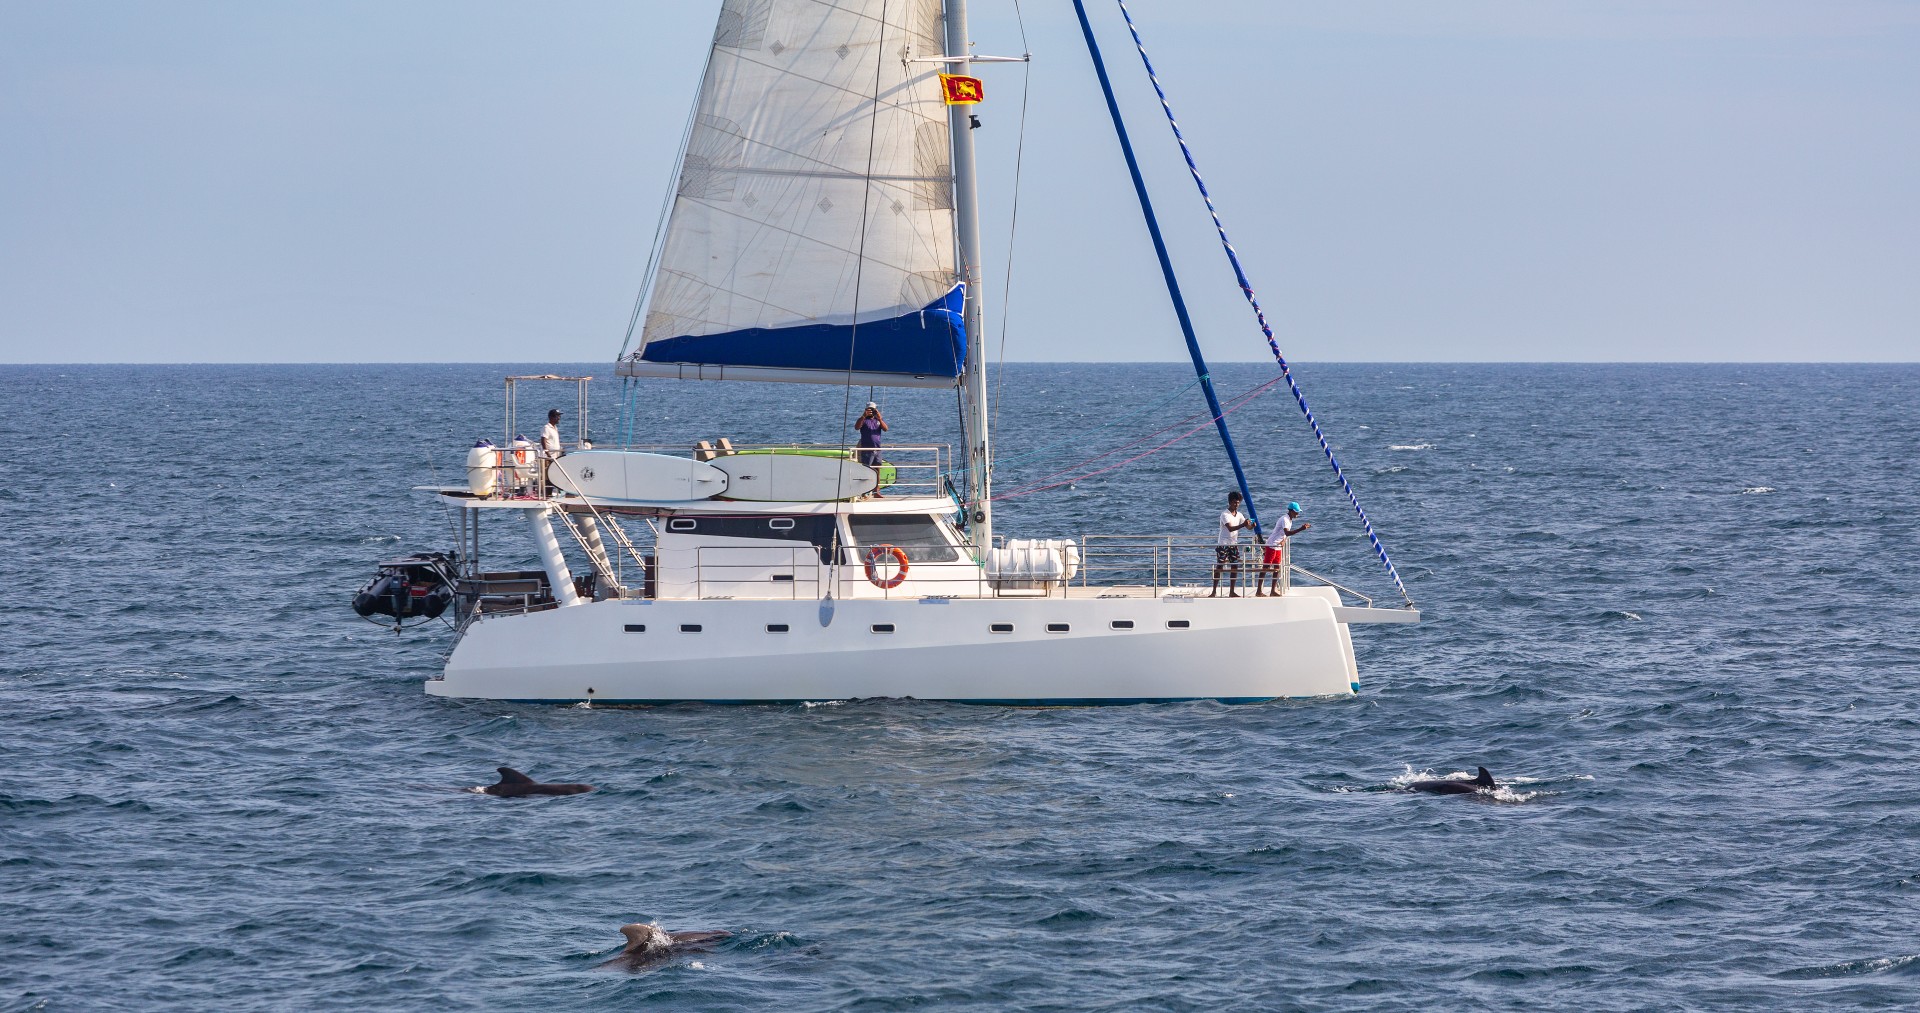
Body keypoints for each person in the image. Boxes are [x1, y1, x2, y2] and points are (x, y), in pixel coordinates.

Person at [1257, 502, 1309, 597]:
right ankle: (1258, 591)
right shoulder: (1285, 519)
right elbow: (1287, 532)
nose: (1298, 514)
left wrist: (1284, 540)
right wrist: (1301, 529)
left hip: (1277, 546)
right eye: (1296, 512)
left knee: (1276, 568)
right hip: (1272, 545)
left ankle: (1272, 591)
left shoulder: (1289, 520)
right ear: (1291, 511)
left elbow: (1284, 534)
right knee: (1266, 567)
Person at [1209, 490, 1254, 597]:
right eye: (1234, 502)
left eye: (1238, 503)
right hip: (1223, 544)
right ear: (1230, 502)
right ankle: (1214, 591)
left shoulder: (1239, 514)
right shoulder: (1225, 514)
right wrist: (1243, 525)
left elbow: (1248, 527)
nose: (1236, 505)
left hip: (1233, 544)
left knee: (1235, 567)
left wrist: (1252, 525)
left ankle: (1232, 591)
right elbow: (1230, 528)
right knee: (1220, 566)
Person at [855, 402, 888, 468]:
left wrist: (880, 419)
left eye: (872, 410)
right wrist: (863, 416)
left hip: (877, 449)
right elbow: (857, 427)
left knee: (877, 467)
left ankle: (877, 475)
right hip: (867, 449)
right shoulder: (863, 420)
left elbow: (885, 429)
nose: (871, 412)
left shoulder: (878, 420)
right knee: (867, 468)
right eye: (869, 410)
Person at [539, 409, 563, 492]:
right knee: (548, 475)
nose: (559, 418)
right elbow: (543, 440)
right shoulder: (546, 428)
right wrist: (547, 453)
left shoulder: (555, 428)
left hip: (555, 455)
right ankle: (547, 493)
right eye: (557, 416)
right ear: (552, 417)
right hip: (548, 456)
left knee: (554, 474)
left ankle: (555, 491)